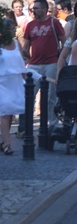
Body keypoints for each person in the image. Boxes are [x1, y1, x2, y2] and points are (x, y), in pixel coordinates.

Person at [20, 0, 65, 135]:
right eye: (33, 9)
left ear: (45, 9)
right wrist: (23, 61)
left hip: (51, 63)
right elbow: (26, 45)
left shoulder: (54, 23)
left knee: (52, 95)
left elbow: (64, 41)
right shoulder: (30, 25)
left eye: (37, 8)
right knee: (28, 94)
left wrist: (61, 60)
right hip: (34, 64)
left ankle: (52, 124)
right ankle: (25, 128)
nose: (34, 11)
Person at [1, 15, 35, 155]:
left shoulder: (16, 43)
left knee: (9, 114)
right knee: (4, 112)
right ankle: (7, 144)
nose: (13, 32)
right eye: (10, 29)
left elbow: (21, 62)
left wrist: (26, 79)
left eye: (14, 29)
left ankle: (3, 140)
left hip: (14, 81)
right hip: (2, 81)